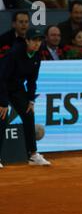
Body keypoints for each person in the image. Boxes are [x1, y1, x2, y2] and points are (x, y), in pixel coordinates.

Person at [0, 29, 51, 168]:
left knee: (29, 114)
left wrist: (31, 100)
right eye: (34, 40)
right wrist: (3, 102)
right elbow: (2, 79)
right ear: (27, 40)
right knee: (2, 118)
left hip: (16, 88)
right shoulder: (14, 54)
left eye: (39, 41)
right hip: (2, 86)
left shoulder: (37, 56)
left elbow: (32, 80)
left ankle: (33, 155)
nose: (37, 43)